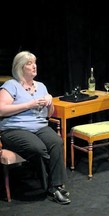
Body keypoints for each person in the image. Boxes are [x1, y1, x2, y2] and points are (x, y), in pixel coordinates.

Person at [0, 51, 71, 205]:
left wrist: (49, 101)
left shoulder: (41, 86)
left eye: (35, 62)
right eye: (29, 63)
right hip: (14, 129)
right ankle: (52, 187)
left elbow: (48, 114)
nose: (34, 66)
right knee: (38, 148)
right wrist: (29, 105)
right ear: (20, 67)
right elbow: (1, 109)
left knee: (56, 142)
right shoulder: (11, 85)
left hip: (39, 126)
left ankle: (56, 186)